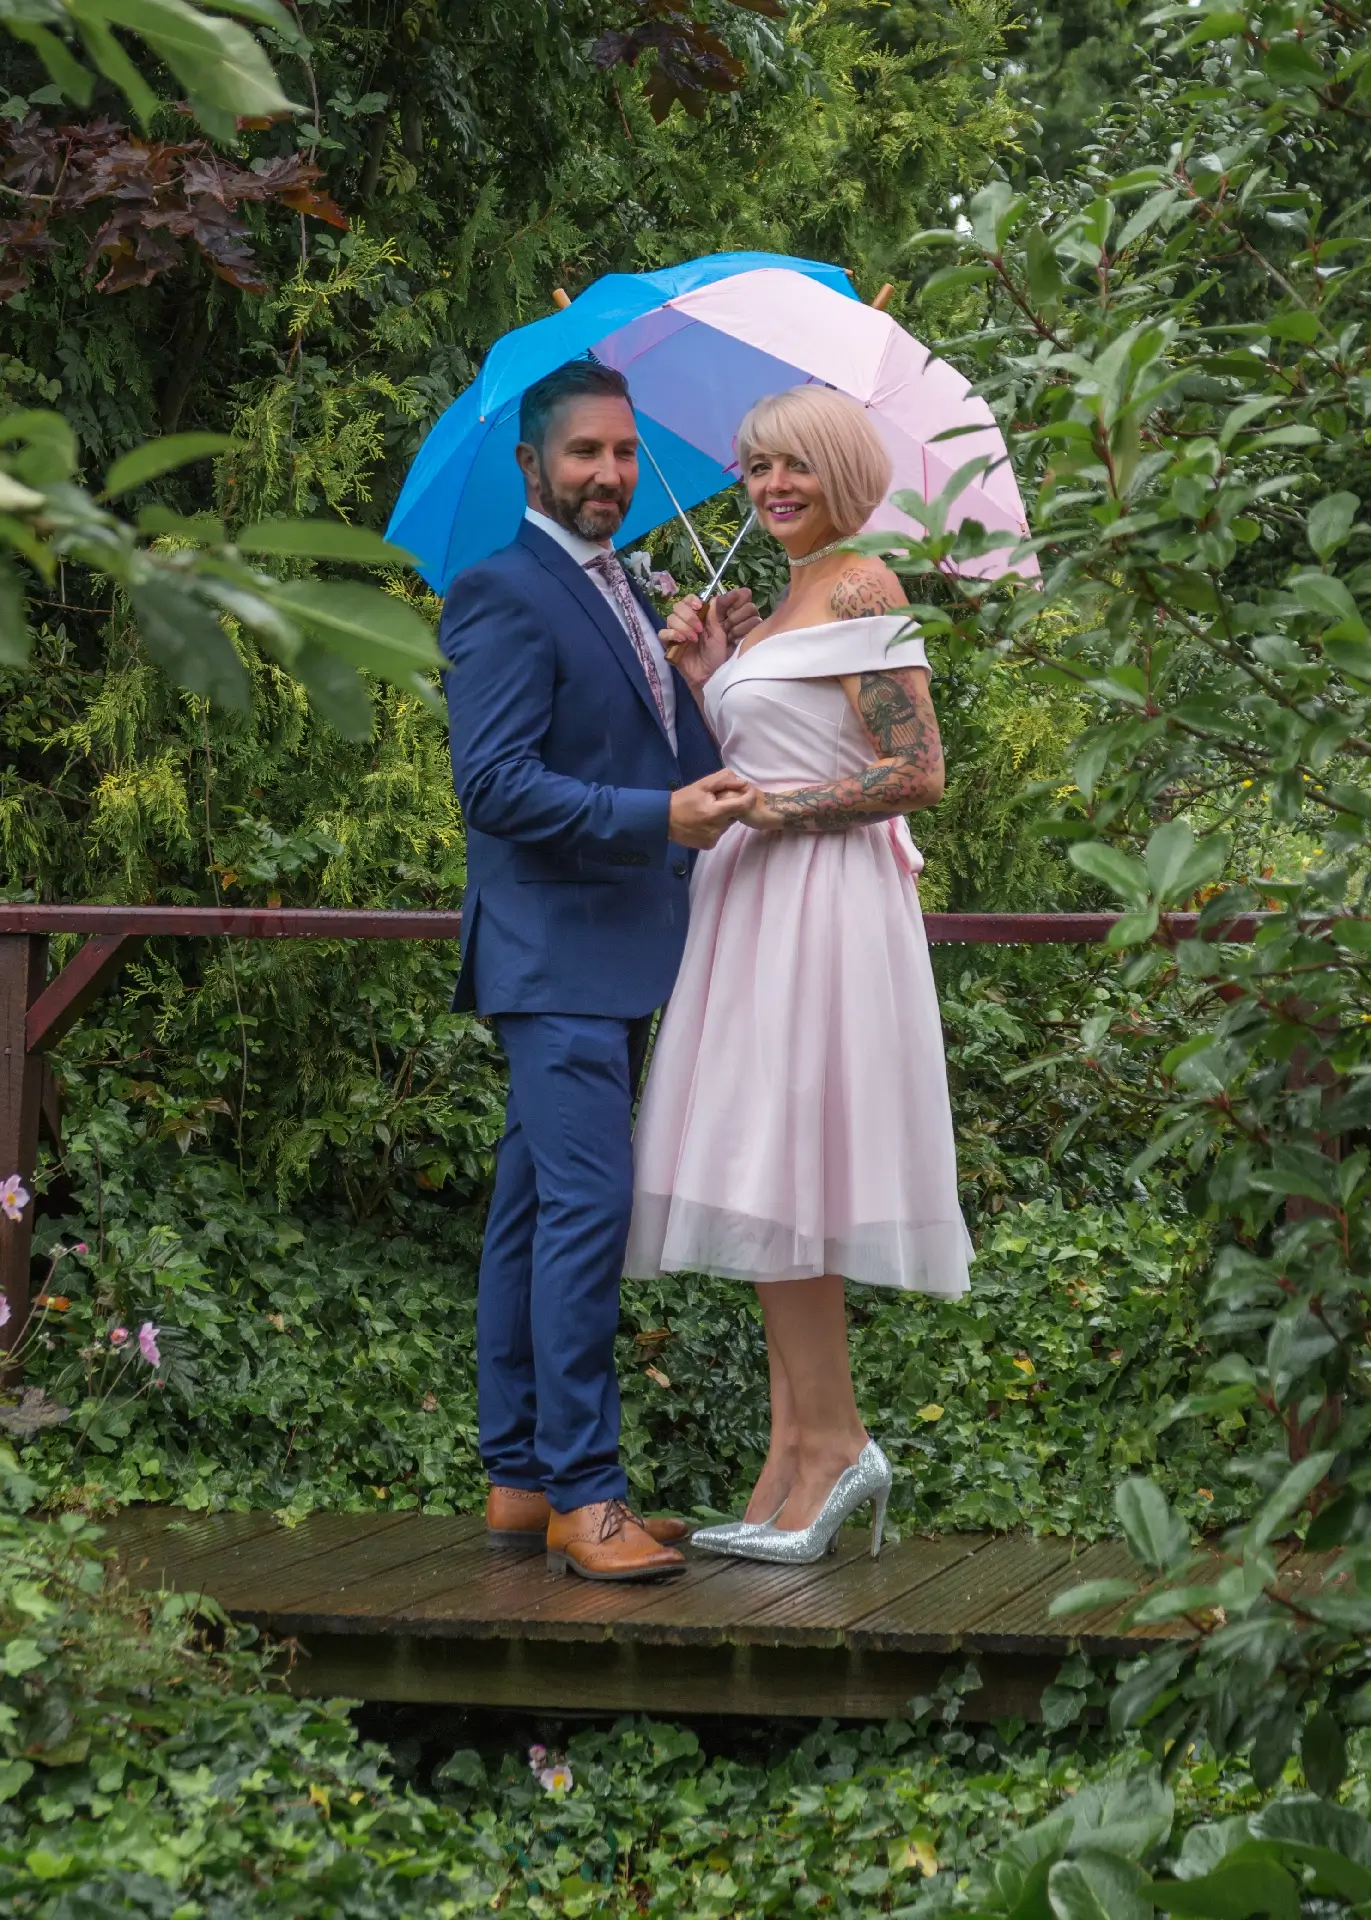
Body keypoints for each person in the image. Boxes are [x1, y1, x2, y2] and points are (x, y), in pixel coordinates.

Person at [625, 385, 974, 1565]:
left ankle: (836, 1445)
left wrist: (776, 809)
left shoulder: (865, 584)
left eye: (795, 468)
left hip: (821, 907)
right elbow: (762, 740)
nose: (772, 486)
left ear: (840, 472)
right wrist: (707, 668)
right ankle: (788, 1459)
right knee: (768, 1170)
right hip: (753, 905)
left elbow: (916, 770)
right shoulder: (782, 601)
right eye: (756, 467)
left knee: (794, 1169)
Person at [439, 360, 760, 1581]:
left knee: (533, 1211)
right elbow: (494, 785)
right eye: (585, 455)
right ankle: (588, 1497)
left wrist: (697, 679)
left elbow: (671, 757)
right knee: (587, 1213)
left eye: (624, 454)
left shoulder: (621, 586)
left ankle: (521, 1476)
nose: (610, 476)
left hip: (612, 954)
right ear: (533, 465)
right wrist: (657, 817)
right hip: (552, 955)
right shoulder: (502, 590)